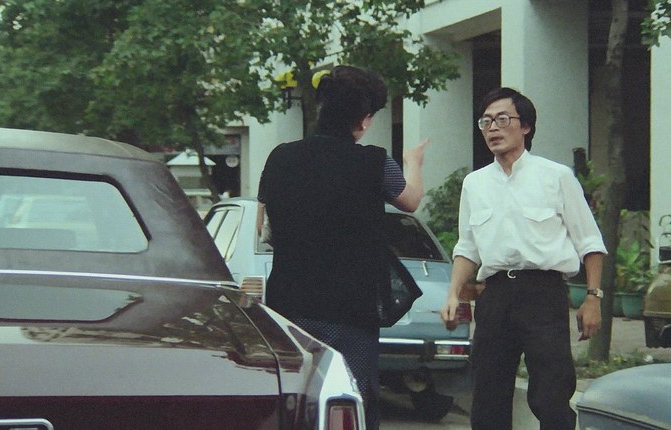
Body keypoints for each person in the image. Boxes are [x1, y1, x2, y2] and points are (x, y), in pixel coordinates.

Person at [257, 65, 430, 429]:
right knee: (349, 399)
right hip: (350, 312)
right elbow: (411, 200)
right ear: (364, 120)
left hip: (289, 307)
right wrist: (413, 163)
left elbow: (264, 227)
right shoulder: (374, 161)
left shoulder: (279, 157)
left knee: (295, 400)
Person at [440, 87, 606, 430]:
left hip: (543, 294)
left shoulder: (556, 176)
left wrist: (593, 298)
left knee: (551, 395)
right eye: (486, 122)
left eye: (502, 119)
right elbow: (467, 248)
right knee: (488, 396)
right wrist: (453, 293)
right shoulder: (475, 184)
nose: (492, 128)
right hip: (495, 296)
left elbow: (589, 241)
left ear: (526, 126)